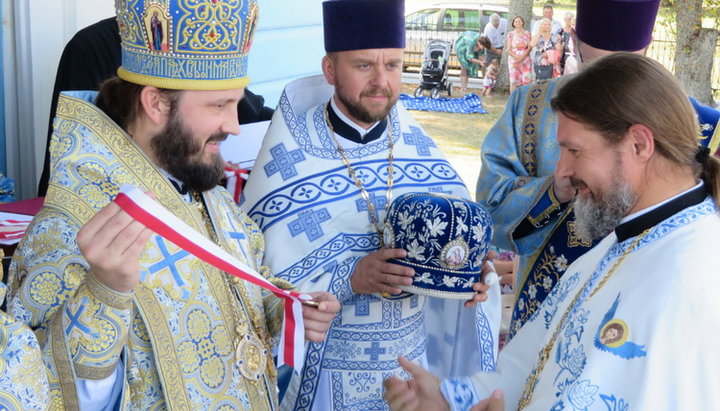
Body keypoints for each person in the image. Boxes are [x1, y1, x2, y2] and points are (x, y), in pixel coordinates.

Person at [6, 0, 339, 409]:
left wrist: (285, 309)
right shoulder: (66, 229)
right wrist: (105, 292)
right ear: (156, 103)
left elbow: (239, 297)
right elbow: (46, 389)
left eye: (235, 103)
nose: (234, 125)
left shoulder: (212, 199)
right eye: (218, 106)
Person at [384, 52, 720, 411]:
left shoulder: (687, 279)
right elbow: (540, 361)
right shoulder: (625, 240)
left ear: (639, 144)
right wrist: (452, 399)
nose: (561, 171)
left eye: (574, 150)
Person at [240, 0, 501, 409]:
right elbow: (258, 277)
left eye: (394, 65)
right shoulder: (287, 161)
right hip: (327, 374)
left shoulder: (421, 152)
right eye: (364, 66)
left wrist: (472, 276)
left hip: (412, 372)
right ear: (330, 70)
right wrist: (351, 277)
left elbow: (460, 249)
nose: (382, 81)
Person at [475, 0, 689, 339]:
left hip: (642, 317)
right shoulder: (529, 108)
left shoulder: (696, 125)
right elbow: (489, 211)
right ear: (572, 39)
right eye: (598, 66)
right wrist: (553, 190)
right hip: (540, 316)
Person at [37, 16, 274, 197]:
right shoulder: (94, 45)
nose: (233, 125)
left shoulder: (204, 39)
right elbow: (77, 156)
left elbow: (253, 114)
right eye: (220, 105)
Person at [506, 15, 532, 92]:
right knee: (513, 81)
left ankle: (525, 99)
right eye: (516, 21)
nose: (517, 23)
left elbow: (529, 47)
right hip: (514, 60)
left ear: (522, 22)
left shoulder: (527, 33)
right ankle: (513, 100)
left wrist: (522, 57)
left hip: (525, 59)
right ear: (513, 23)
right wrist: (516, 57)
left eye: (519, 21)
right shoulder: (510, 34)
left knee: (526, 80)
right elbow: (509, 49)